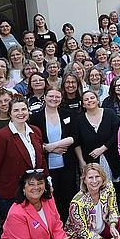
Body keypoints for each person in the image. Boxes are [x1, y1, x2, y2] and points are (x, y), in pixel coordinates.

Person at [0, 97, 46, 217]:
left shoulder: (35, 131)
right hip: (12, 191)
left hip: (34, 189)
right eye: (16, 110)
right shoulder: (1, 136)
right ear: (10, 113)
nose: (21, 113)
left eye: (24, 109)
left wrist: (48, 181)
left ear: (28, 111)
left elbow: (41, 158)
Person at [29, 88, 78, 221]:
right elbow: (33, 141)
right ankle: (54, 223)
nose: (54, 99)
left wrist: (51, 146)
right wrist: (48, 149)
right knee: (51, 196)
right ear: (44, 97)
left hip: (67, 163)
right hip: (47, 166)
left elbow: (74, 137)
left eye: (57, 96)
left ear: (61, 99)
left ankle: (70, 222)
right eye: (51, 96)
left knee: (68, 194)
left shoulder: (67, 114)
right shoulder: (35, 117)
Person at [74, 90, 120, 188]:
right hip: (90, 160)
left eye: (92, 98)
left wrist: (103, 148)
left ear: (98, 100)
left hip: (111, 157)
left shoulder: (109, 113)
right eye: (86, 100)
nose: (90, 101)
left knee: (113, 188)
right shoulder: (79, 120)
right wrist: (81, 161)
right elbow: (77, 142)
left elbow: (117, 134)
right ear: (83, 104)